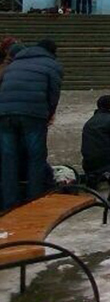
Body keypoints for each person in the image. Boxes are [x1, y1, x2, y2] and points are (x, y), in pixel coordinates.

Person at [0, 38, 62, 209]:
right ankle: (34, 202)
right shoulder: (52, 65)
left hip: (5, 114)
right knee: (36, 157)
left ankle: (9, 203)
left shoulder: (14, 64)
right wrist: (49, 114)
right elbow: (53, 93)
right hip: (33, 114)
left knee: (8, 158)